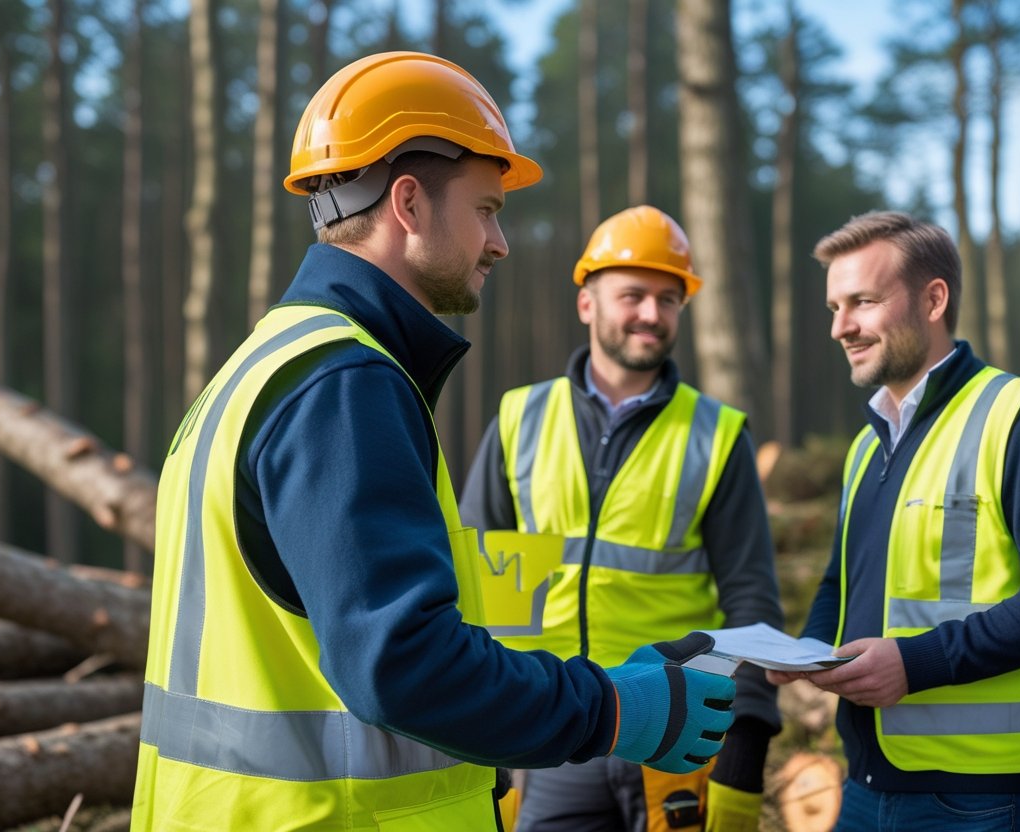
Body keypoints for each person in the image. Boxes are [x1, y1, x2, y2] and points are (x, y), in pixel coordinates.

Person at [131, 53, 738, 831]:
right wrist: (615, 708)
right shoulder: (344, 383)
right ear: (409, 204)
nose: (501, 242)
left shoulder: (263, 361)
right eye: (487, 209)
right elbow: (404, 666)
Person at [768, 210, 1020, 830]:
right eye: (833, 307)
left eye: (862, 302)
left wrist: (916, 663)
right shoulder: (867, 447)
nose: (840, 327)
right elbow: (838, 582)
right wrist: (810, 652)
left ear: (933, 299)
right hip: (862, 789)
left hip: (980, 803)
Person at [460, 205, 783, 832]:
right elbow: (482, 595)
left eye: (669, 299)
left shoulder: (717, 434)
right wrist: (484, 732)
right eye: (632, 294)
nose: (651, 314)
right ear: (587, 303)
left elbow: (752, 602)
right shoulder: (518, 419)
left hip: (679, 733)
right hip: (551, 729)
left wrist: (745, 745)